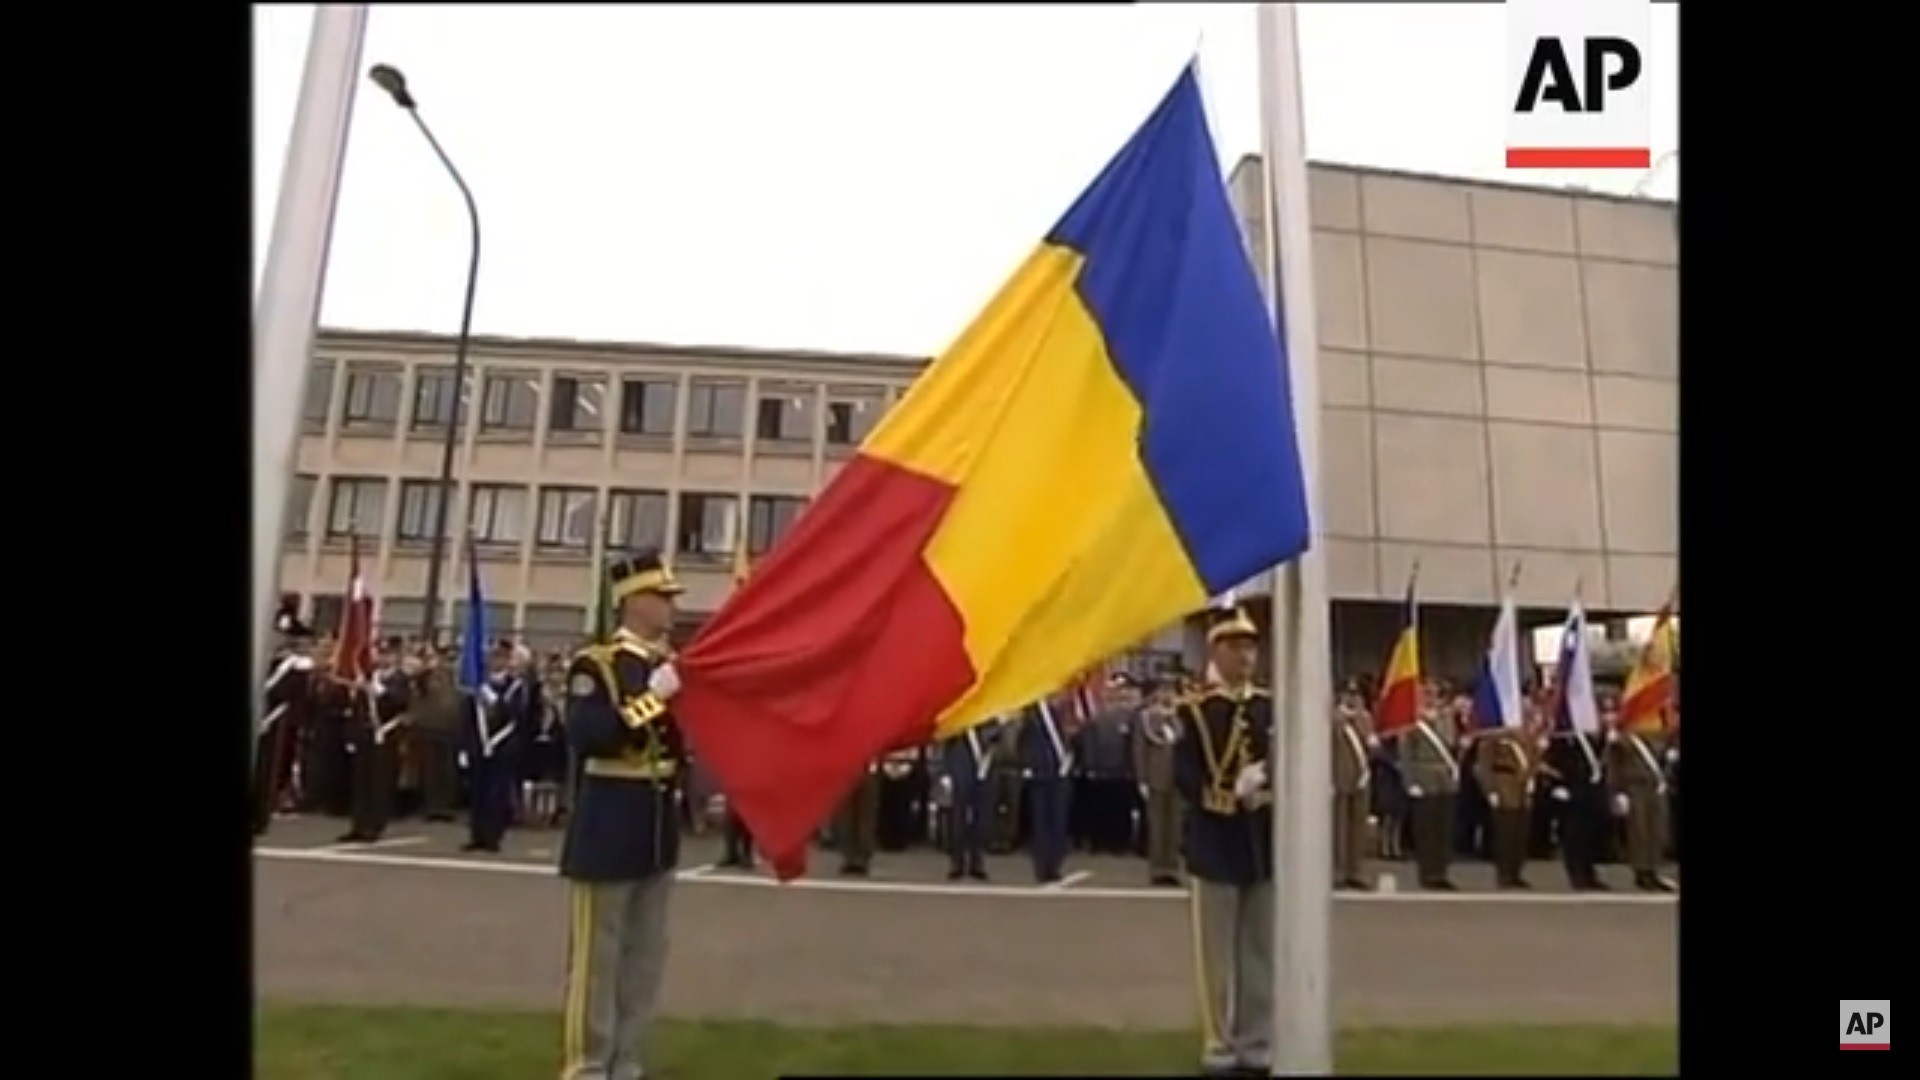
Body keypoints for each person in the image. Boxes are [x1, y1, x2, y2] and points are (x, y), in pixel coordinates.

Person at [559, 549, 689, 1080]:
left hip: (655, 825)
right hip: (609, 821)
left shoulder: (666, 667)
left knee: (643, 959)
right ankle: (588, 1065)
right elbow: (591, 736)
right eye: (662, 596)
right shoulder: (597, 665)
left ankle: (628, 1060)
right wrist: (652, 700)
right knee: (598, 960)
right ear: (634, 601)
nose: (671, 605)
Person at [1175, 608, 1275, 1077]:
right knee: (1215, 954)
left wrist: (1266, 789)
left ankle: (1256, 1040)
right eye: (1235, 647)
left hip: (1262, 842)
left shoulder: (1269, 708)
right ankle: (1218, 1042)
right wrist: (1229, 797)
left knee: (1259, 950)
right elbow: (1185, 775)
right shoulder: (1195, 711)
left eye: (1251, 647)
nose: (1246, 656)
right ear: (1215, 651)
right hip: (1215, 842)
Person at [340, 640, 411, 844]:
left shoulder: (400, 679)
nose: (384, 658)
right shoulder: (369, 677)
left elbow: (400, 702)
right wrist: (352, 735)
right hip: (366, 736)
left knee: (380, 783)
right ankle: (358, 824)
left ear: (396, 657)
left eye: (389, 654)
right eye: (381, 653)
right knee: (361, 782)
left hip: (386, 736)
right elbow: (358, 708)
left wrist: (381, 692)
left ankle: (375, 825)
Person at [254, 600, 316, 836]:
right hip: (264, 716)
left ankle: (261, 813)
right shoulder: (270, 661)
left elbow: (290, 695)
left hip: (277, 720)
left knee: (269, 767)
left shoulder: (298, 665)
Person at [466, 640, 529, 853]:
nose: (496, 661)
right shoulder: (479, 685)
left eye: (500, 657)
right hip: (479, 745)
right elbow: (468, 717)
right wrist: (466, 745)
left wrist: (496, 701)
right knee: (478, 792)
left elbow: (518, 715)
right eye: (493, 657)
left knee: (497, 793)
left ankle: (493, 836)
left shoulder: (515, 686)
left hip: (503, 746)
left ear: (507, 660)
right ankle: (477, 835)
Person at [1605, 707, 1675, 892]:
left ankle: (1653, 868)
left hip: (1657, 787)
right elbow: (1614, 766)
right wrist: (1617, 792)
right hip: (1635, 787)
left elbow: (1664, 760)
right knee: (1639, 831)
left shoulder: (1660, 737)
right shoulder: (1624, 740)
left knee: (1658, 830)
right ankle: (1641, 871)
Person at [1400, 683, 1460, 891]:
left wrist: (1442, 720)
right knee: (1426, 830)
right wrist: (1411, 782)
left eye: (1435, 694)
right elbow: (1406, 755)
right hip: (1424, 778)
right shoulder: (1412, 723)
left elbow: (1451, 744)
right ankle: (1428, 873)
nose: (1431, 698)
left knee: (1443, 829)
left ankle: (1441, 871)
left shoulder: (1445, 719)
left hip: (1444, 778)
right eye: (1427, 695)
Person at [1130, 674, 1184, 886]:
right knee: (1157, 826)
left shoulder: (1181, 716)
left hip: (1177, 779)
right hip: (1155, 777)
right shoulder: (1146, 718)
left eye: (1171, 690)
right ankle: (1158, 869)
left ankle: (1172, 868)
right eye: (1163, 690)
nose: (1167, 694)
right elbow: (1139, 750)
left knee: (1175, 827)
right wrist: (1142, 778)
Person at [1542, 724, 1608, 890]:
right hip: (1571, 791)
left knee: (1589, 835)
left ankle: (1589, 873)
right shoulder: (1562, 738)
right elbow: (1549, 764)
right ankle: (1576, 875)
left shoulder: (1592, 738)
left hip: (1590, 791)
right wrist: (1556, 786)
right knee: (1574, 836)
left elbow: (1600, 760)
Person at [1018, 696, 1076, 884]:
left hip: (1061, 772)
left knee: (1059, 821)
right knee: (1041, 822)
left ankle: (1055, 864)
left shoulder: (1064, 714)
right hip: (1039, 773)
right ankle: (1042, 866)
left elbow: (1073, 739)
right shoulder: (1032, 713)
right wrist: (1027, 765)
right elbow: (1023, 741)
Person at [1473, 720, 1537, 889]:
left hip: (1523, 791)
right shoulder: (1492, 741)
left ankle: (1516, 871)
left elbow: (1533, 761)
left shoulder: (1525, 740)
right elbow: (1484, 767)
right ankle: (1504, 873)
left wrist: (1531, 778)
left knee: (1520, 834)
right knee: (1505, 834)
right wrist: (1490, 790)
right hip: (1504, 790)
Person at [938, 717, 999, 881]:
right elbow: (943, 743)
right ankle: (956, 862)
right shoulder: (958, 717)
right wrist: (944, 772)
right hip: (960, 769)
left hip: (985, 769)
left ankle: (977, 861)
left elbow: (998, 738)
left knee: (982, 818)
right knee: (958, 818)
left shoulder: (988, 715)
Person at [1331, 684, 1376, 891]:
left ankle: (1356, 870)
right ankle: (1338, 871)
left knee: (1358, 827)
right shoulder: (1333, 719)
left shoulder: (1364, 719)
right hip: (1339, 777)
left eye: (1357, 695)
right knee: (1339, 827)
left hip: (1361, 776)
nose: (1354, 699)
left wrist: (1370, 737)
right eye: (1350, 695)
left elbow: (1369, 747)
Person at [836, 753, 882, 876]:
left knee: (859, 817)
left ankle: (857, 857)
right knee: (851, 817)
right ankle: (854, 857)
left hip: (858, 769)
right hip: (851, 769)